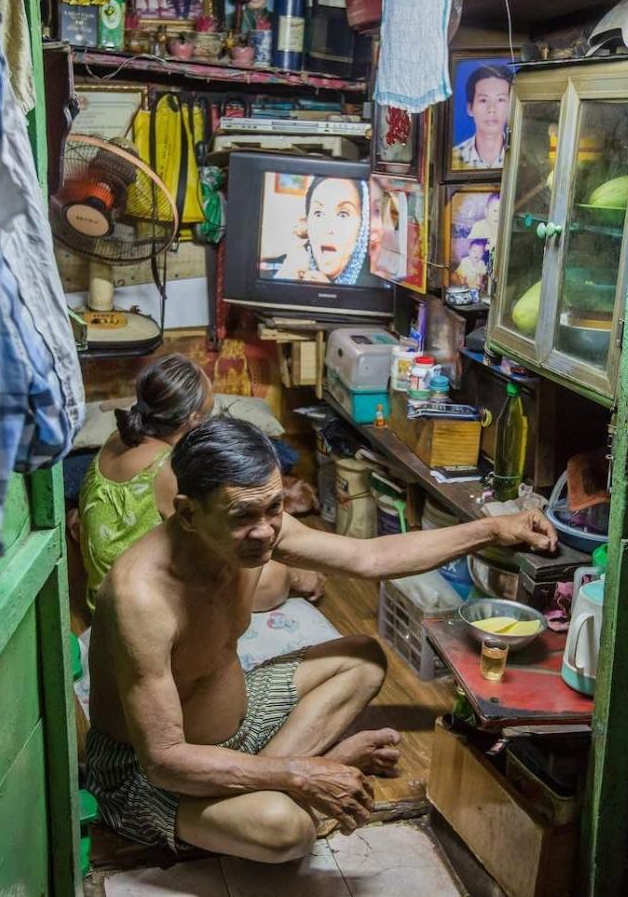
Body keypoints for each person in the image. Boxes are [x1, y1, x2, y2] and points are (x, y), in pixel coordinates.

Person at [85, 416, 558, 862]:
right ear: (188, 514)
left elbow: (370, 558)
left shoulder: (258, 526)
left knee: (363, 659)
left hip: (241, 725)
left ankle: (281, 783)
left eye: (275, 507)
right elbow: (164, 762)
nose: (267, 530)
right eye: (244, 515)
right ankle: (294, 783)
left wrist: (493, 528)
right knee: (286, 832)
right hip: (151, 775)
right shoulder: (140, 599)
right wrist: (301, 774)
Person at [75, 354, 322, 612]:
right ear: (192, 420)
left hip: (103, 592)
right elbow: (213, 550)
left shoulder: (120, 435)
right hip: (136, 606)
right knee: (275, 577)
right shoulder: (167, 470)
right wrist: (294, 572)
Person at [268, 177, 371, 285]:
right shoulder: (279, 272)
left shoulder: (378, 287)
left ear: (362, 227)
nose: (328, 228)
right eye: (318, 213)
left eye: (343, 215)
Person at [452, 64, 512, 170]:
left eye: (500, 100)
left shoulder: (521, 157)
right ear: (470, 108)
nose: (492, 109)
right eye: (483, 100)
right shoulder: (453, 158)